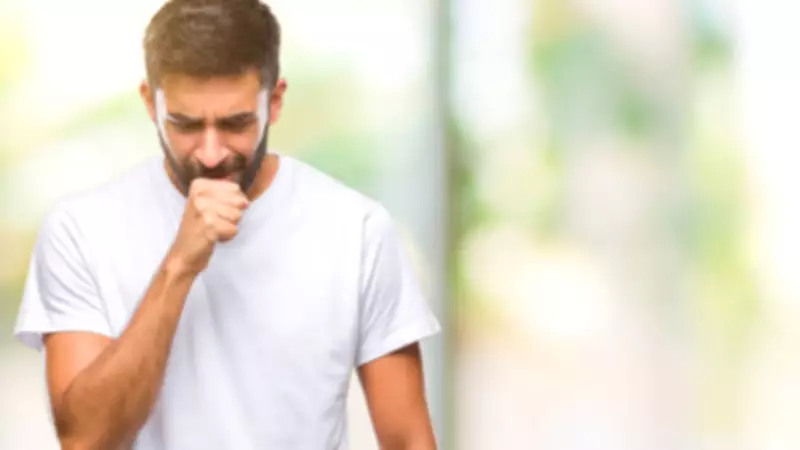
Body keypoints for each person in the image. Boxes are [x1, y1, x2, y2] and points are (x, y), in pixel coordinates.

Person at [12, 0, 441, 448]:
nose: (212, 154)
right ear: (150, 103)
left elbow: (409, 441)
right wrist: (180, 265)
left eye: (236, 124)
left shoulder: (357, 230)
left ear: (274, 102)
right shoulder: (80, 231)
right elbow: (85, 440)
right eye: (185, 125)